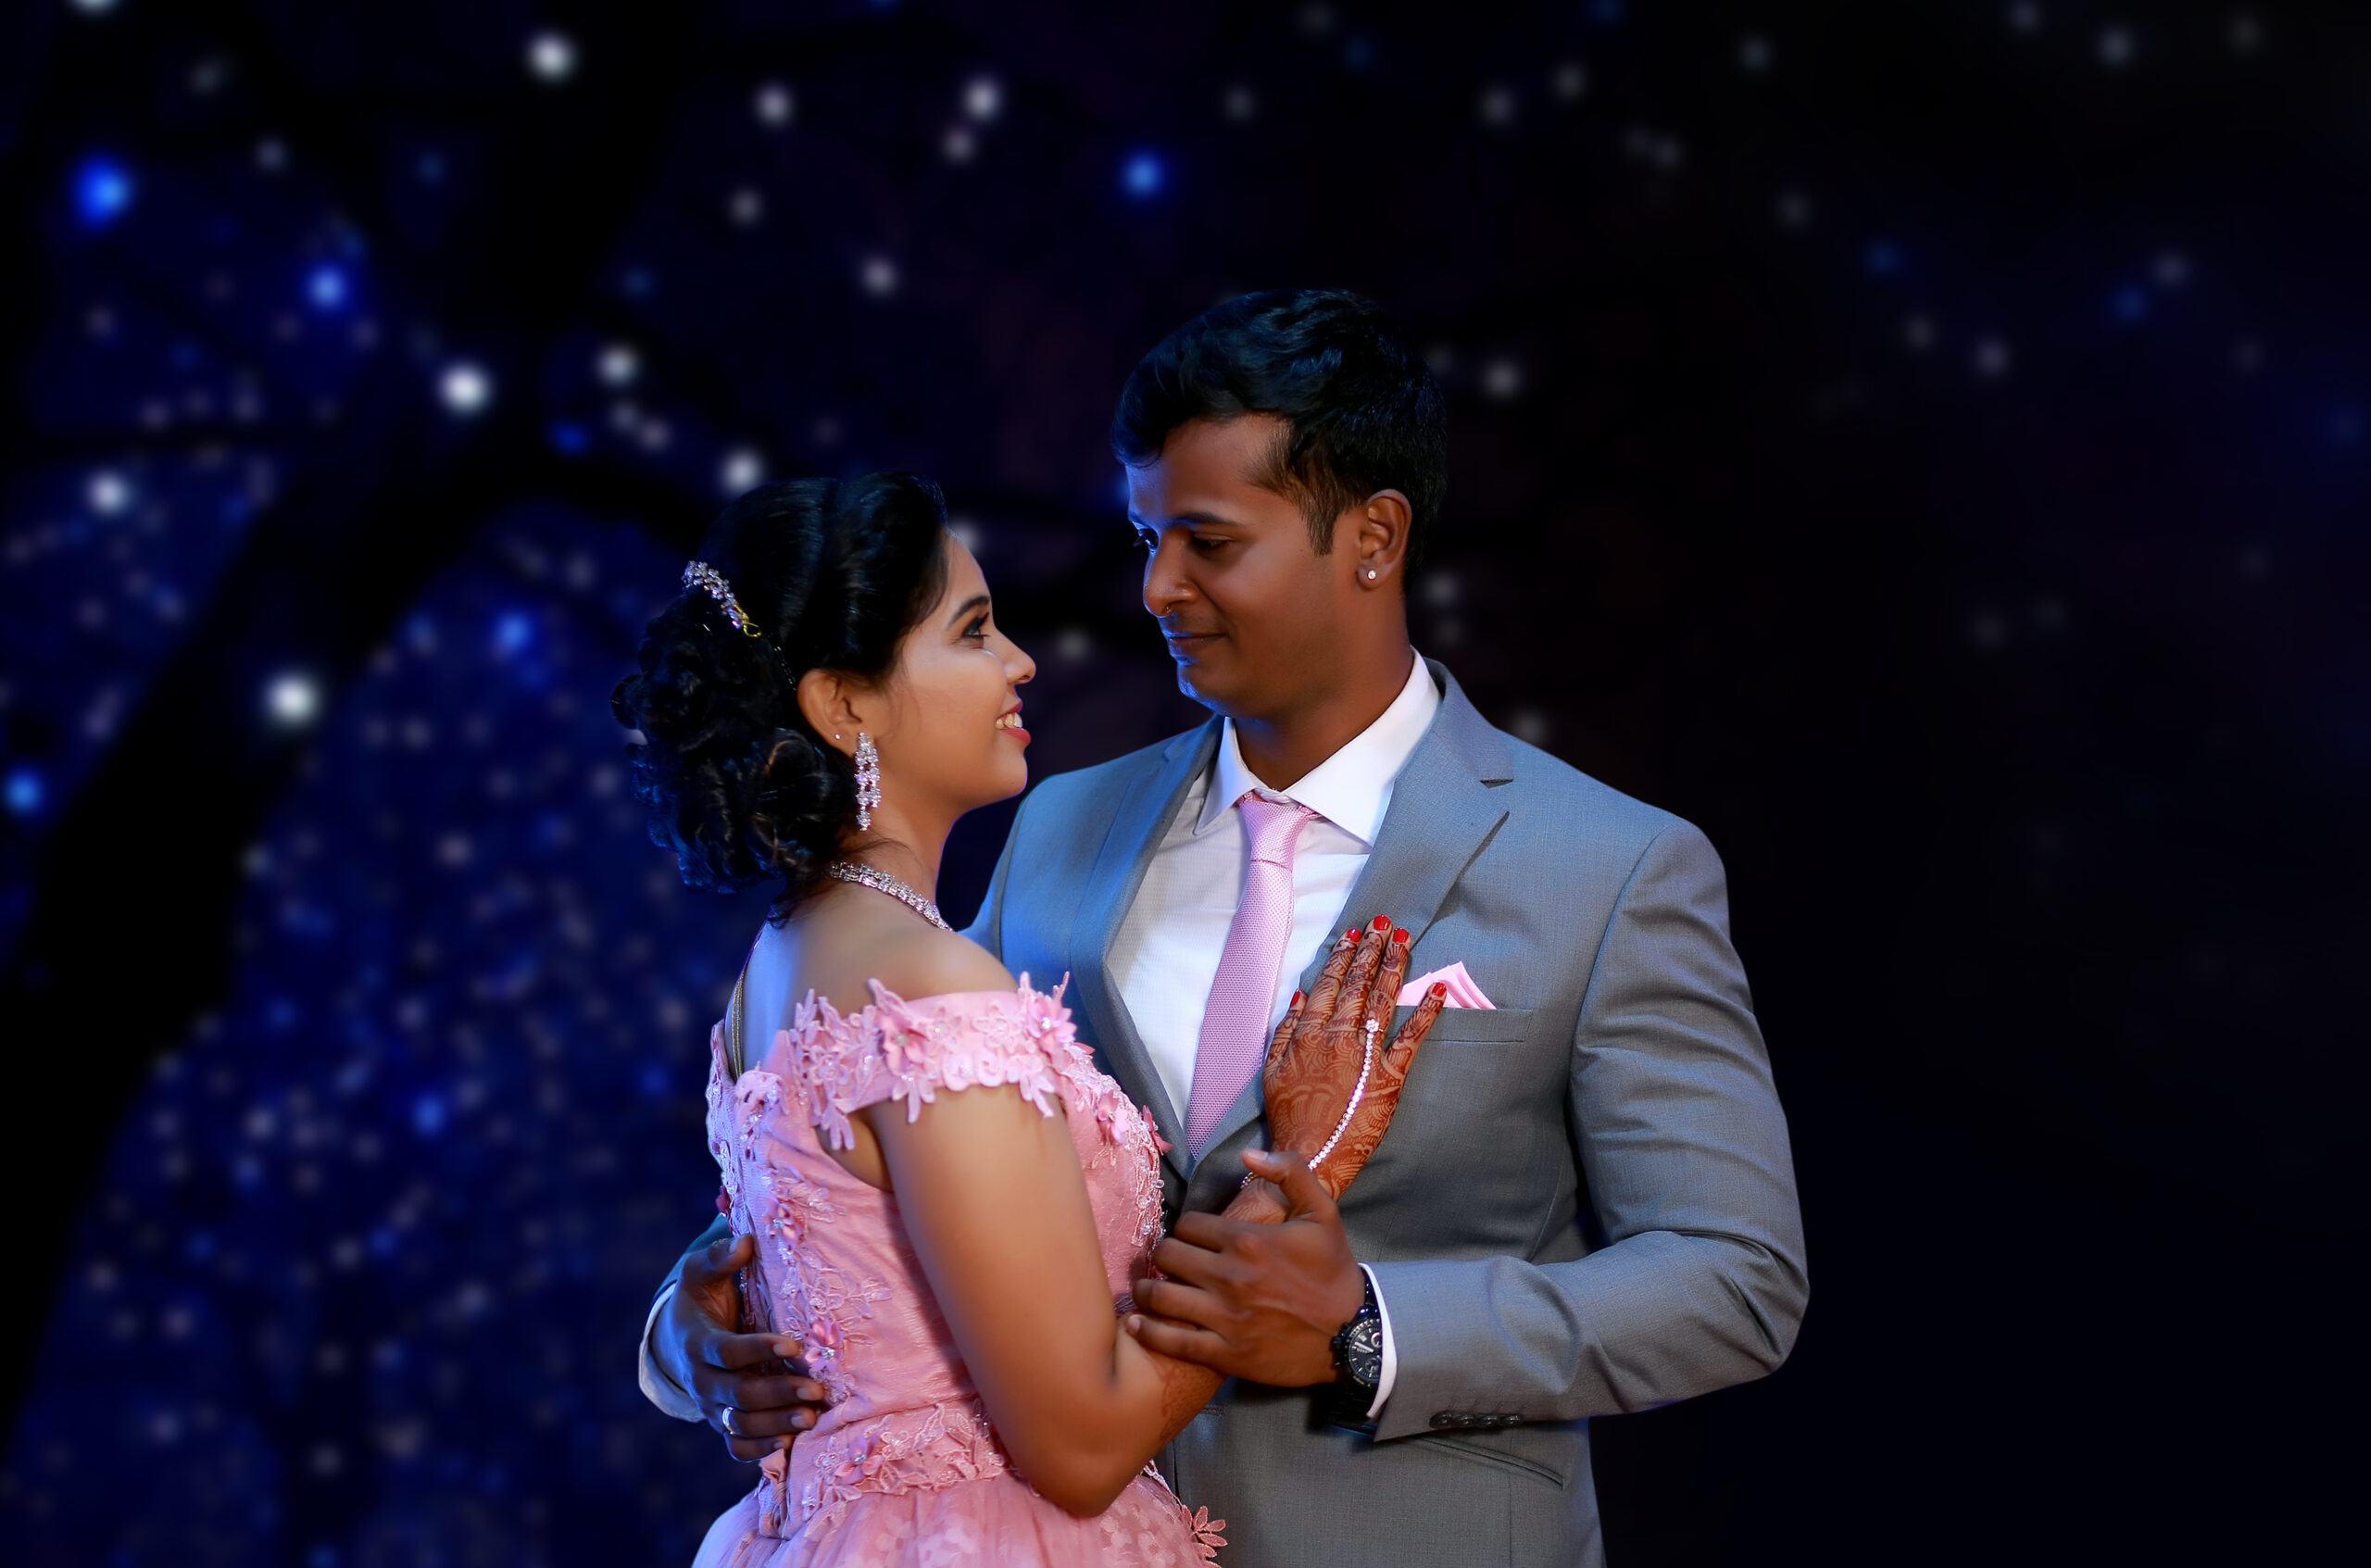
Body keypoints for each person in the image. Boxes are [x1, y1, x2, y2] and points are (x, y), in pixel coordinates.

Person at [641, 292, 1810, 1567]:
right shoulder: (1062, 825)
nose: (1157, 587)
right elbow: (874, 1133)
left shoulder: (1610, 868)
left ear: (1373, 538)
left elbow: (1735, 1276)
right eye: (1148, 537)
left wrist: (1368, 1328)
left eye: (1208, 541)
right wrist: (686, 1331)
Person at [612, 470, 1448, 1565]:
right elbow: (1081, 1445)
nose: (1021, 662)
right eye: (972, 632)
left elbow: (825, 1247)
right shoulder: (929, 987)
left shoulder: (775, 969)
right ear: (843, 704)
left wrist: (678, 1327)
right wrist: (1306, 1165)